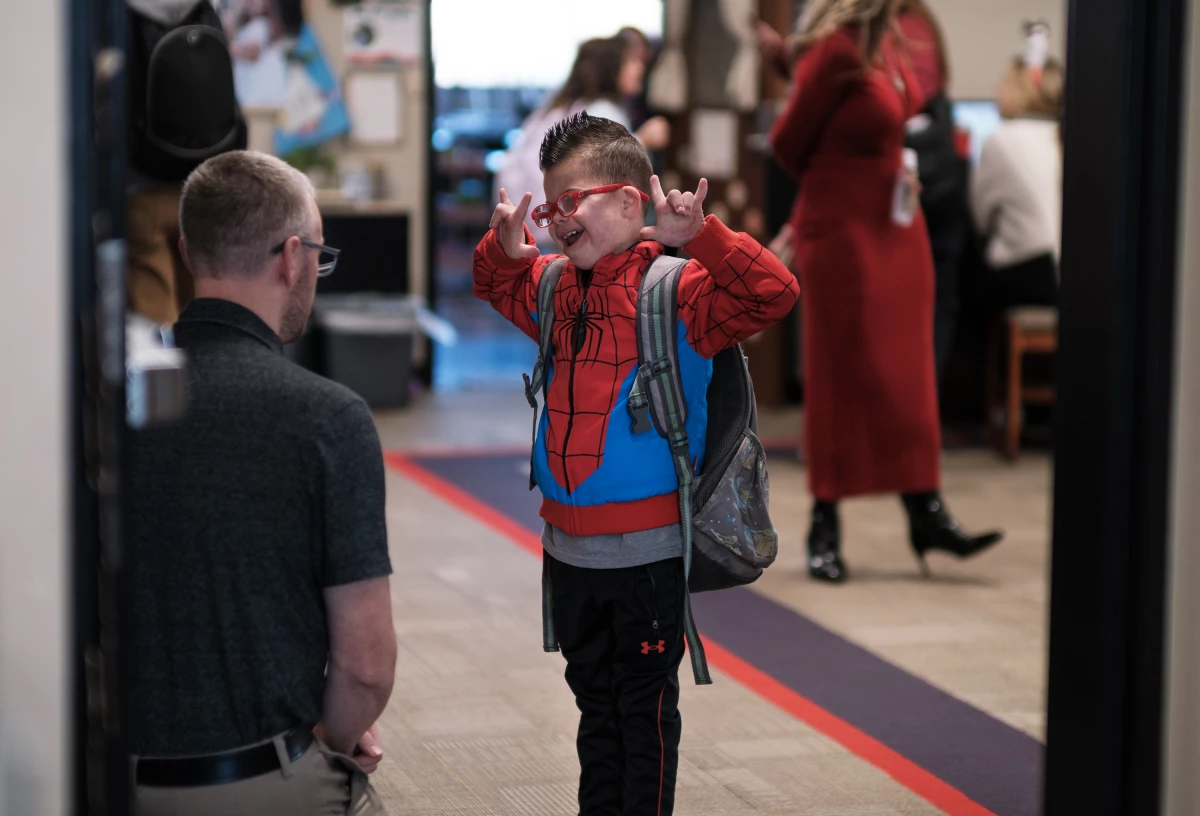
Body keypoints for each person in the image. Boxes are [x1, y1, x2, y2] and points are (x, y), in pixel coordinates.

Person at [475, 112, 798, 815]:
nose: (557, 219)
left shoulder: (677, 293)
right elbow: (496, 286)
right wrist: (504, 251)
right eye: (549, 202)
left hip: (646, 555)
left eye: (573, 201)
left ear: (628, 202)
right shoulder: (555, 288)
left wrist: (705, 238)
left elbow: (772, 293)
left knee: (645, 715)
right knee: (596, 708)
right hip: (568, 550)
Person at [126, 150, 396, 815]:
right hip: (259, 779)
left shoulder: (107, 402)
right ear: (292, 257)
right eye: (320, 257)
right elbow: (366, 668)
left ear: (188, 252)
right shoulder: (330, 419)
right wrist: (330, 741)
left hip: (108, 778)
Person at [767, 0, 1003, 583]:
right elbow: (787, 143)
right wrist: (844, 176)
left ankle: (925, 507)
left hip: (896, 228)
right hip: (842, 230)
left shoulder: (895, 40)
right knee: (840, 375)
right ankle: (826, 521)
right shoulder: (838, 49)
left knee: (908, 374)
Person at [758, 0, 967, 377]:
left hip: (900, 218)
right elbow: (791, 136)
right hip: (854, 229)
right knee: (861, 376)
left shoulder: (895, 33)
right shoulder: (844, 45)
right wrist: (834, 184)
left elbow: (907, 98)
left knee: (900, 371)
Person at [495, 36, 670, 243]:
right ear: (611, 68)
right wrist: (644, 140)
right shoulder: (601, 111)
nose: (640, 68)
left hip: (532, 222)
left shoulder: (560, 105)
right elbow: (603, 165)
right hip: (557, 226)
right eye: (630, 61)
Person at [971, 54, 1065, 311]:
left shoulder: (1003, 139)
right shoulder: (1065, 133)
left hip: (1029, 272)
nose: (997, 89)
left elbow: (981, 220)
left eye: (1005, 82)